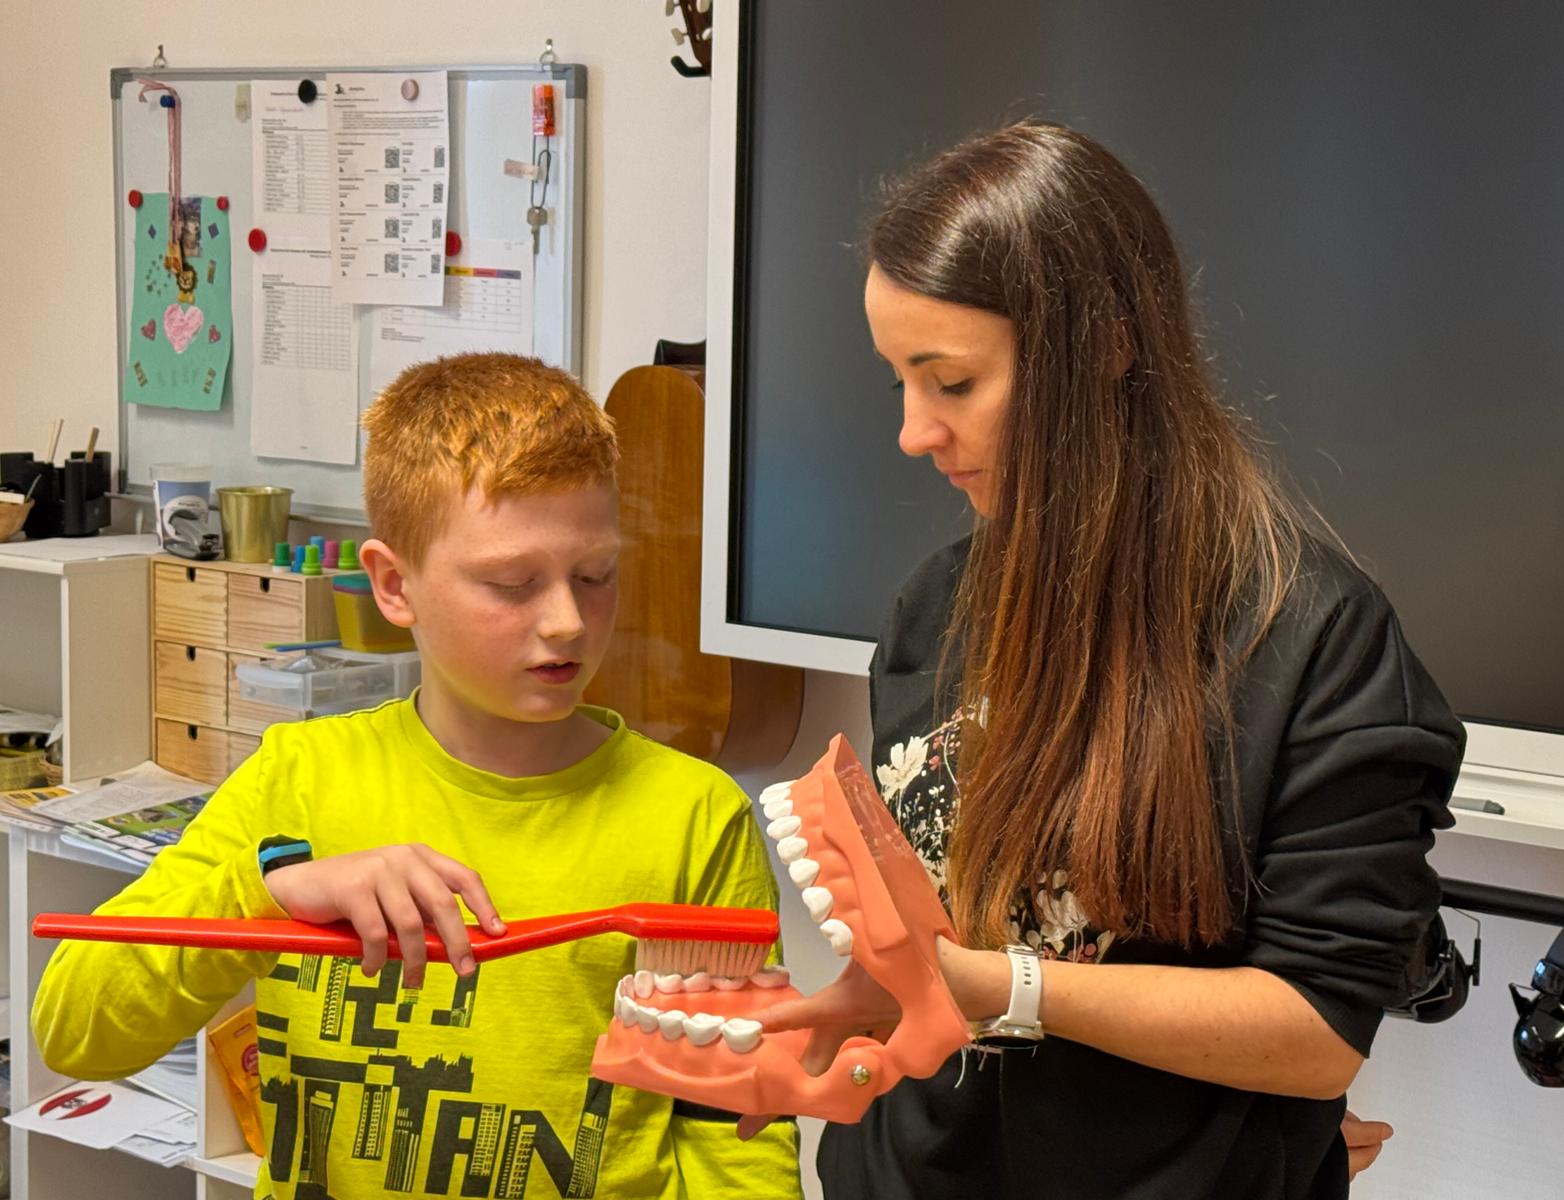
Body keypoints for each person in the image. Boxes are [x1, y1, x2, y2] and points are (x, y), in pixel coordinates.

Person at [741, 123, 1464, 1198]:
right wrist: (868, 1009)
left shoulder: (1312, 639)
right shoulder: (935, 605)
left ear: (1108, 348)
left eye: (951, 382)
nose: (912, 433)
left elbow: (1315, 1031)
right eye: (900, 383)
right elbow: (944, 945)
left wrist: (1004, 989)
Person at [33, 353, 800, 1199]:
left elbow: (735, 1139)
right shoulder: (298, 780)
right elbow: (74, 1031)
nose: (568, 621)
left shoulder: (694, 818)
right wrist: (264, 900)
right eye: (512, 584)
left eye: (596, 574)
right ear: (394, 585)